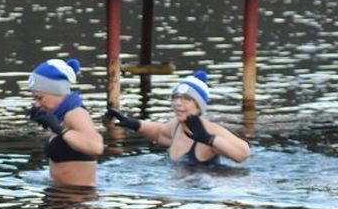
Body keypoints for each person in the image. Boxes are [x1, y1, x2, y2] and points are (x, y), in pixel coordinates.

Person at [104, 71, 249, 167]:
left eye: (186, 99)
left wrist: (209, 139)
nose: (178, 103)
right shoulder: (177, 126)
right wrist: (131, 123)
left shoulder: (209, 129)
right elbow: (159, 132)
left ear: (199, 107)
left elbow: (243, 153)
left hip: (203, 196)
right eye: (176, 98)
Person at [26, 58, 105, 188]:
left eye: (40, 98)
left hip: (77, 199)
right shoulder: (64, 115)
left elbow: (96, 147)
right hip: (61, 196)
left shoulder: (75, 113)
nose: (37, 104)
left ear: (56, 92)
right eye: (34, 98)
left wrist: (59, 129)